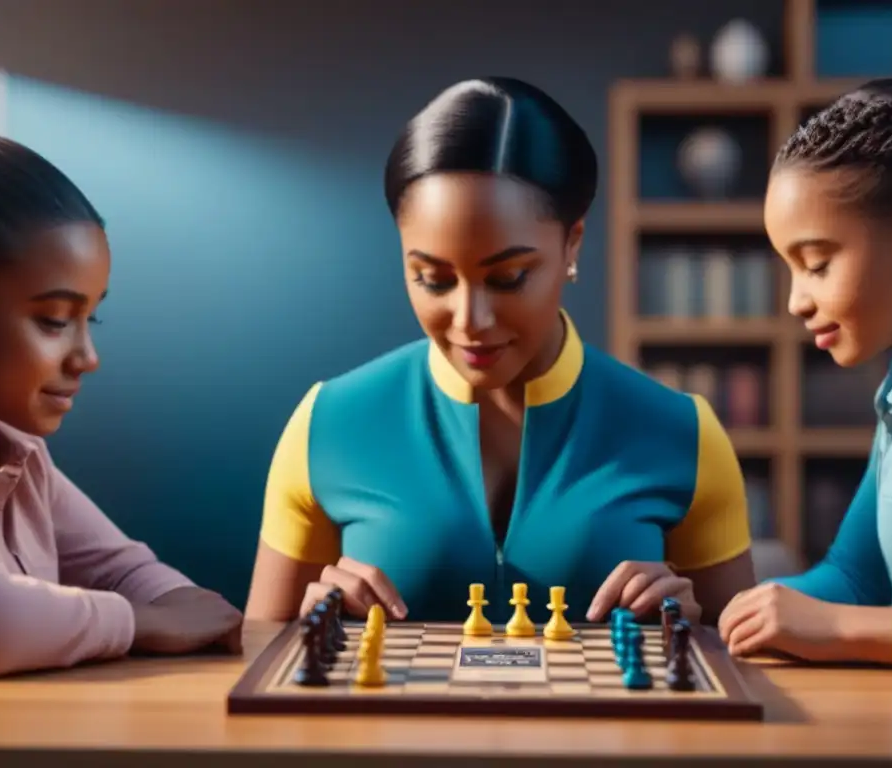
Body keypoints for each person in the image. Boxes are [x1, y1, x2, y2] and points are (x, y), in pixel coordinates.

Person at [245, 76, 756, 628]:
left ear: (573, 243)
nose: (471, 321)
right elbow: (258, 667)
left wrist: (696, 631)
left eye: (509, 277)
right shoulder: (328, 425)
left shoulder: (683, 434)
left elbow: (748, 675)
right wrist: (313, 625)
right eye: (432, 278)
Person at [718, 77, 892, 676]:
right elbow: (853, 576)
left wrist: (841, 630)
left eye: (817, 264)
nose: (795, 300)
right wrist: (729, 610)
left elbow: (843, 614)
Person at [0, 134, 242, 678]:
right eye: (53, 320)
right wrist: (141, 624)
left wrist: (184, 610)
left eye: (89, 318)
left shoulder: (24, 460)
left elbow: (122, 570)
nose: (87, 357)